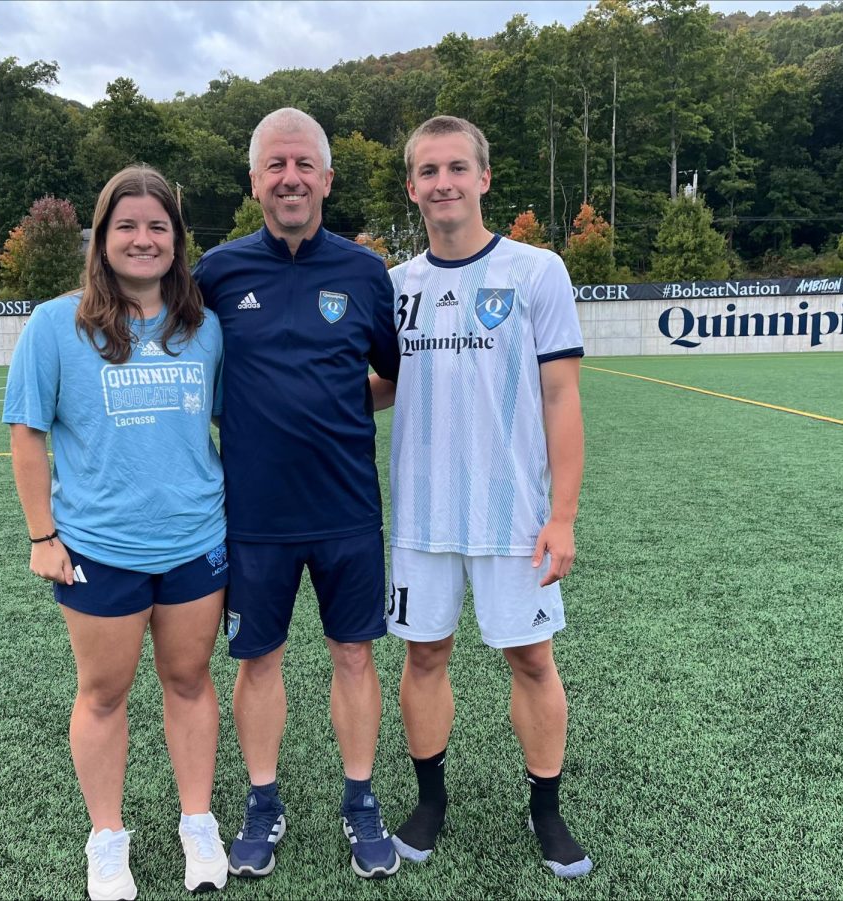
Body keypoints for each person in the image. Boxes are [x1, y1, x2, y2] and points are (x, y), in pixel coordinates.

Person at [370, 116, 593, 879]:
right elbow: (380, 387)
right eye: (428, 172)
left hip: (512, 516)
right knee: (424, 653)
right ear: (412, 187)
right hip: (422, 516)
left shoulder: (536, 272)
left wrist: (561, 517)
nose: (443, 183)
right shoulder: (396, 286)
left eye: (457, 168)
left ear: (484, 177)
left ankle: (547, 808)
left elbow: (561, 399)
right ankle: (430, 802)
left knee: (531, 657)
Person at [3, 165, 230, 899]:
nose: (142, 238)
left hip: (197, 540)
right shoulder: (55, 325)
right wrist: (43, 536)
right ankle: (108, 838)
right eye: (126, 226)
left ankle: (197, 822)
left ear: (177, 239)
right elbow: (27, 434)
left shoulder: (204, 329)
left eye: (157, 226)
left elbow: (233, 423)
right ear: (101, 238)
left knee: (190, 681)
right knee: (103, 692)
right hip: (100, 547)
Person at [192, 108, 402, 880]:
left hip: (347, 509)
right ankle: (262, 801)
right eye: (275, 165)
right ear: (254, 181)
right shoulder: (216, 273)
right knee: (259, 661)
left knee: (354, 653)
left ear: (326, 179)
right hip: (254, 518)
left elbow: (392, 374)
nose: (290, 178)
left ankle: (360, 800)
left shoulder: (364, 271)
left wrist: (339, 407)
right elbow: (192, 376)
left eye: (303, 164)